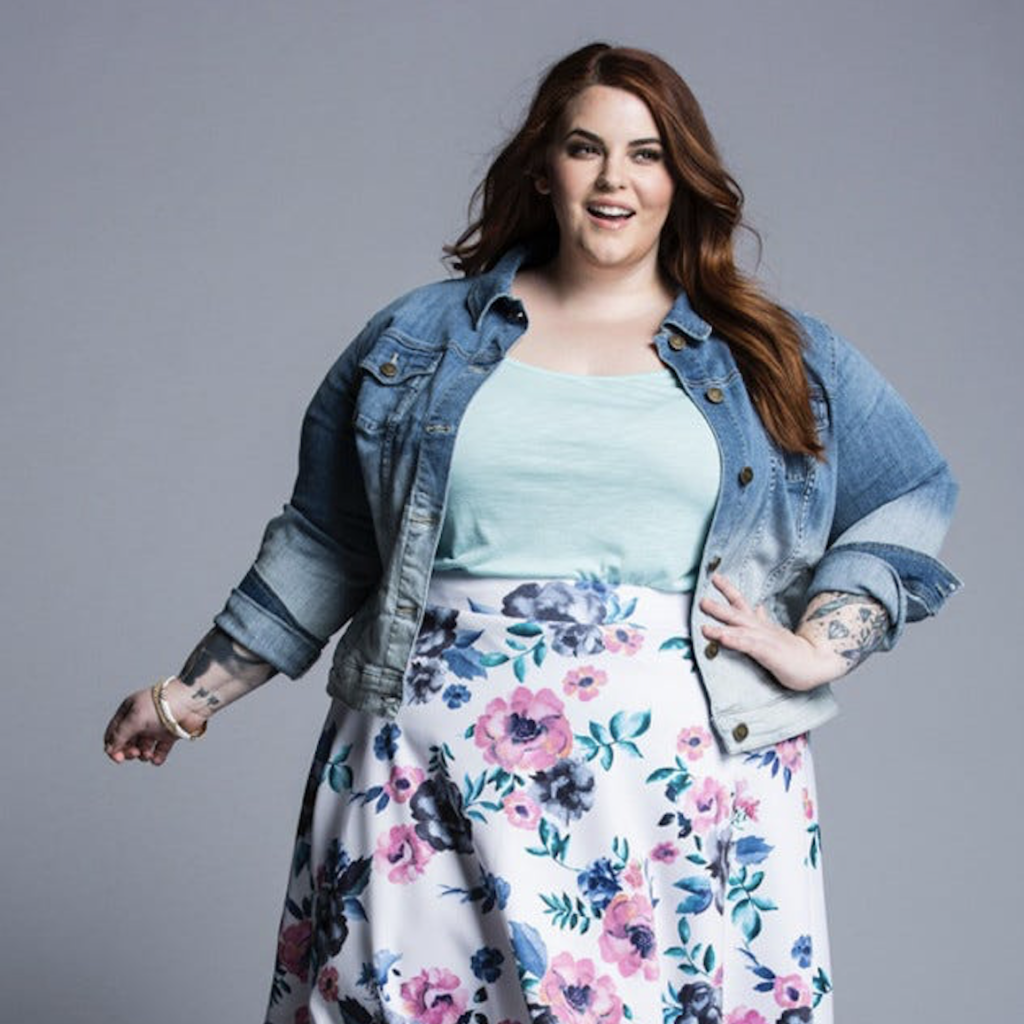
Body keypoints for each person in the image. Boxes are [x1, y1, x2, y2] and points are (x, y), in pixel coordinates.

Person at [103, 42, 962, 1024]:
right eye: (585, 148)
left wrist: (822, 645)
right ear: (540, 168)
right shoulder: (417, 339)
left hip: (680, 781)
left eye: (645, 154)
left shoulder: (774, 354)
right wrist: (188, 695)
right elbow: (328, 539)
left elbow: (912, 494)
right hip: (423, 767)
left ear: (681, 179)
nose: (614, 180)